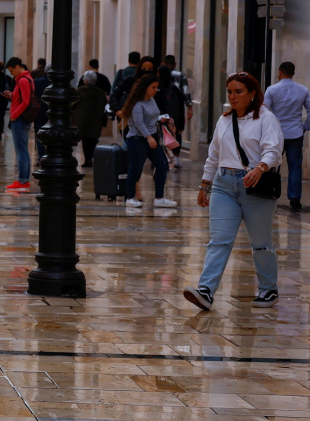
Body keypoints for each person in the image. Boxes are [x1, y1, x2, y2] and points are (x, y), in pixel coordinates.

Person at [185, 72, 283, 310]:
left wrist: (260, 168)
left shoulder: (266, 119)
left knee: (260, 243)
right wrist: (205, 184)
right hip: (223, 184)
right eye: (229, 91)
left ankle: (269, 289)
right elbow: (213, 155)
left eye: (238, 91)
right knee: (218, 241)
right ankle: (206, 291)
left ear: (252, 94)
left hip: (255, 184)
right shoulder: (224, 120)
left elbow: (274, 151)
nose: (233, 96)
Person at [119, 71, 175, 209]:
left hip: (151, 138)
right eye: (153, 87)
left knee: (162, 165)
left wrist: (161, 118)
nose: (156, 90)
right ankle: (130, 198)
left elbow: (150, 117)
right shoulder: (137, 104)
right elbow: (139, 123)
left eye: (157, 87)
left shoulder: (151, 100)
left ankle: (159, 197)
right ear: (145, 87)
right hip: (138, 139)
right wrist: (149, 137)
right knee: (135, 168)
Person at [265, 61, 307, 212]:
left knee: (271, 164)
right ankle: (295, 198)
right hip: (295, 133)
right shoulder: (303, 90)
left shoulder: (272, 90)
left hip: (276, 133)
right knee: (295, 166)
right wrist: (305, 127)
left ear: (280, 72)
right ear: (293, 73)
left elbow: (264, 110)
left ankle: (269, 193)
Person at [4, 59, 35, 191]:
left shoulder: (23, 80)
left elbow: (26, 102)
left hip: (20, 119)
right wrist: (12, 96)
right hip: (20, 118)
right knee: (23, 150)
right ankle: (23, 179)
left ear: (17, 67)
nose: (12, 74)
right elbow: (22, 99)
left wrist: (14, 115)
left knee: (21, 151)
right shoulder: (25, 79)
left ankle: (23, 180)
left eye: (12, 71)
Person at [72, 70, 108, 167]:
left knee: (85, 140)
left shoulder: (80, 91)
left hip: (82, 120)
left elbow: (73, 103)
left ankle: (88, 159)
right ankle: (89, 158)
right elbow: (104, 103)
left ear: (86, 81)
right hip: (96, 120)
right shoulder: (100, 92)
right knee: (92, 140)